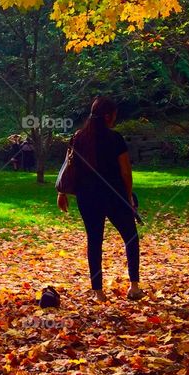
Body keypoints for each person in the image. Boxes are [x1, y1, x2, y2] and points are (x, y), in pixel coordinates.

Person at [57, 97, 143, 301]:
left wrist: (61, 192)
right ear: (107, 116)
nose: (115, 119)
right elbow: (125, 172)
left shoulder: (79, 137)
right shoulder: (115, 139)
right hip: (114, 195)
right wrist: (128, 196)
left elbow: (69, 166)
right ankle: (134, 286)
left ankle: (98, 292)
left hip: (87, 197)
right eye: (114, 115)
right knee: (131, 237)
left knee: (94, 241)